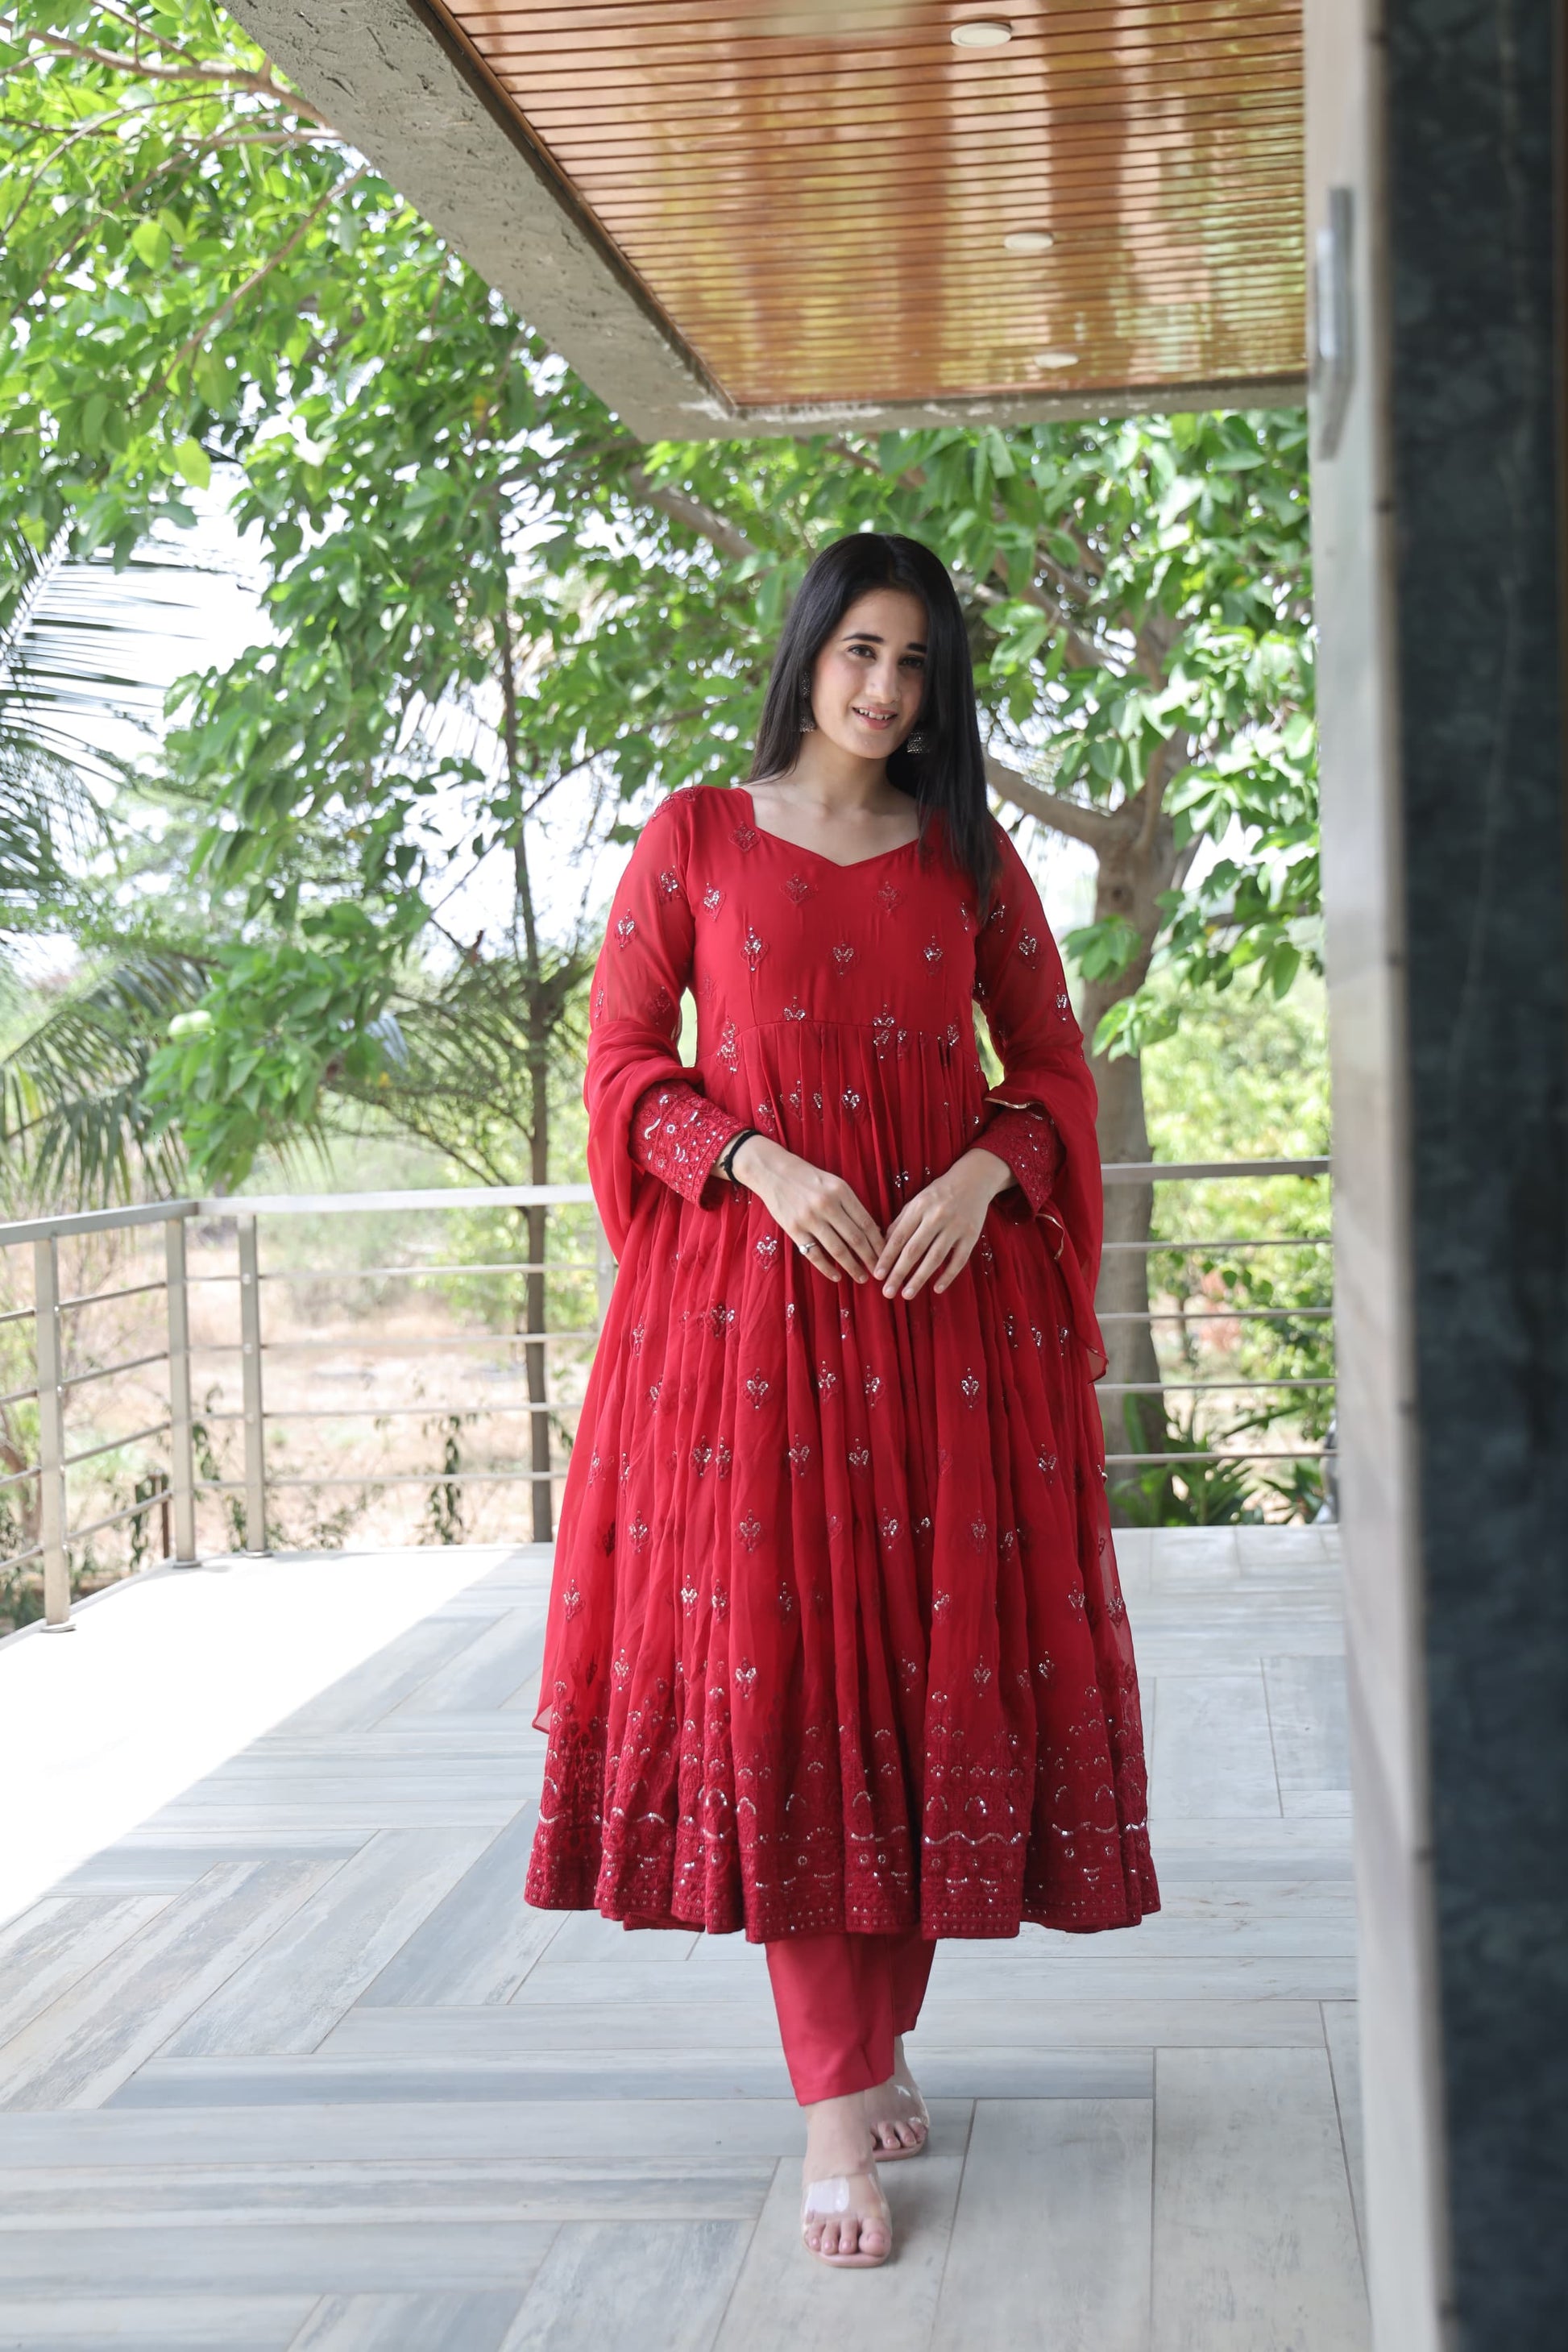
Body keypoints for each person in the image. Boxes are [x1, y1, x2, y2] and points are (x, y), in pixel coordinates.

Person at [525, 531, 1159, 2268]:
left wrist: (987, 1170)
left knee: (931, 1683)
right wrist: (751, 1158)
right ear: (809, 650)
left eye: (917, 664)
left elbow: (1048, 1063)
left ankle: (867, 2042)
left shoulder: (965, 855)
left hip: (946, 1327)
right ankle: (830, 2099)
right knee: (791, 1681)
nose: (885, 688)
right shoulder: (694, 836)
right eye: (863, 650)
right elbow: (621, 1062)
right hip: (749, 1330)